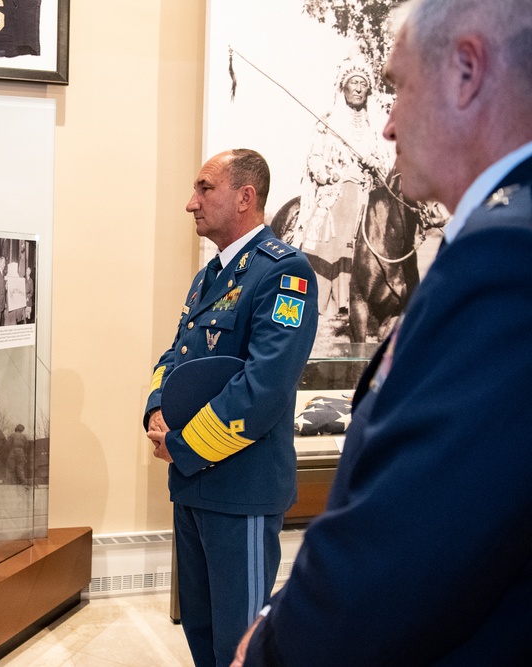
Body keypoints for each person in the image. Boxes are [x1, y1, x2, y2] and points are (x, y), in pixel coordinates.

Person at [232, 1, 532, 664]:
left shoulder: (505, 257)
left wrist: (271, 646)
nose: (389, 121)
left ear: (465, 72)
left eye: (398, 86)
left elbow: (410, 546)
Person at [144, 149, 318, 666]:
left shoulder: (285, 273)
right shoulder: (209, 277)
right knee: (202, 629)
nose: (190, 203)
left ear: (245, 197)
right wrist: (156, 407)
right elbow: (176, 355)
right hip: (194, 483)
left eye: (204, 189)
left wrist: (183, 445)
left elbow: (262, 388)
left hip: (239, 487)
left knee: (240, 641)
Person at [292, 55, 393, 316]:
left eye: (362, 83)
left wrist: (375, 162)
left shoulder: (376, 128)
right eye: (353, 83)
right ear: (344, 88)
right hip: (337, 190)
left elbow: (387, 164)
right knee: (339, 211)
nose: (358, 88)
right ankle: (323, 294)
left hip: (369, 190)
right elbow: (314, 158)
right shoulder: (328, 123)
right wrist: (332, 175)